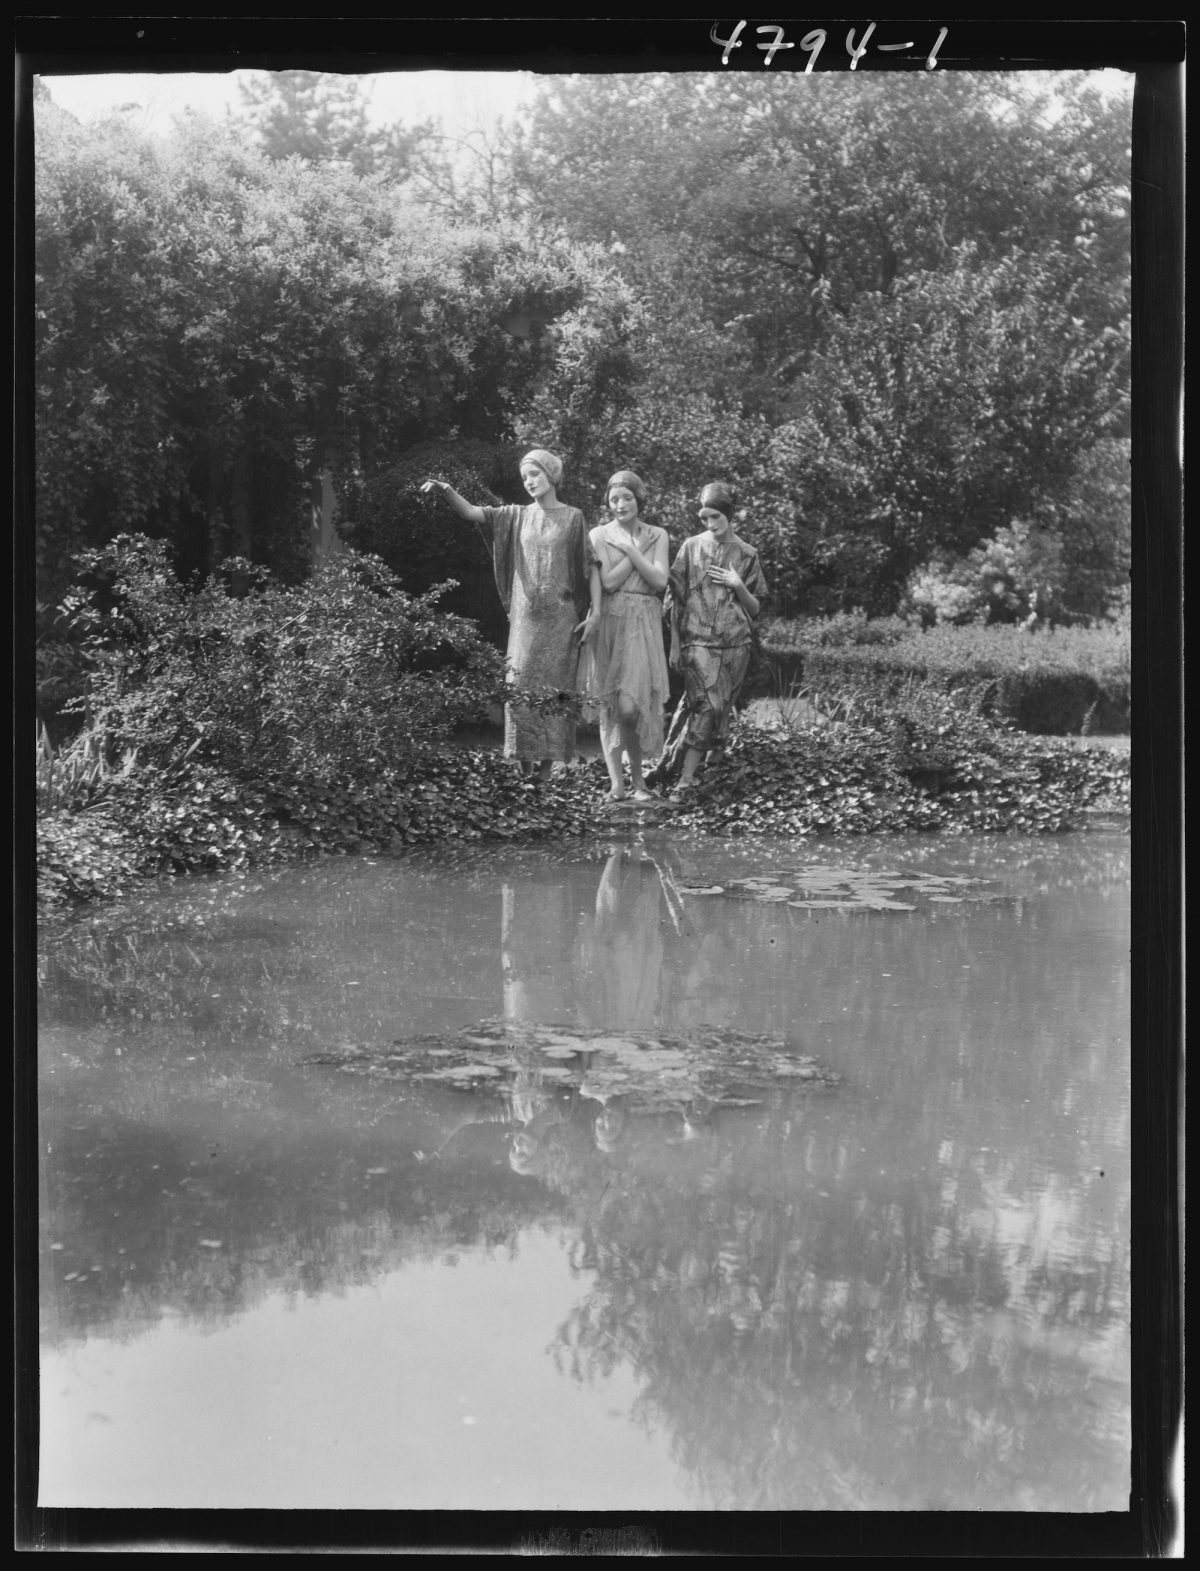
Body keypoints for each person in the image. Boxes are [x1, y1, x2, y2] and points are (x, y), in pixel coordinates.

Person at [421, 450, 600, 778]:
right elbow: (473, 514)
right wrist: (447, 491)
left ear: (551, 474)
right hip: (525, 621)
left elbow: (591, 565)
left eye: (535, 474)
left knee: (556, 693)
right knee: (518, 691)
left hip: (561, 622)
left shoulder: (573, 517)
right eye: (524, 478)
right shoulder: (515, 515)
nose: (530, 482)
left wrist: (596, 612)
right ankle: (525, 771)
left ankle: (545, 775)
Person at [662, 481, 768, 803]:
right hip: (698, 643)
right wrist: (675, 645)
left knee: (721, 712)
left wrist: (738, 585)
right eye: (705, 518)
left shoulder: (748, 554)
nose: (710, 524)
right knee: (707, 707)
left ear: (729, 514)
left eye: (715, 517)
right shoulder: (691, 548)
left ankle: (711, 774)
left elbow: (755, 609)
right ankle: (686, 779)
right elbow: (673, 599)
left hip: (736, 645)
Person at [584, 470, 670, 803]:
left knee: (631, 707)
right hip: (611, 620)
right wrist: (637, 550)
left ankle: (640, 781)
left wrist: (632, 551)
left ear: (638, 498)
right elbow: (607, 583)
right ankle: (617, 783)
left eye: (627, 498)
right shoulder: (599, 534)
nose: (620, 505)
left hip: (644, 622)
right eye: (614, 499)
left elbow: (660, 581)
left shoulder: (658, 534)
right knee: (612, 706)